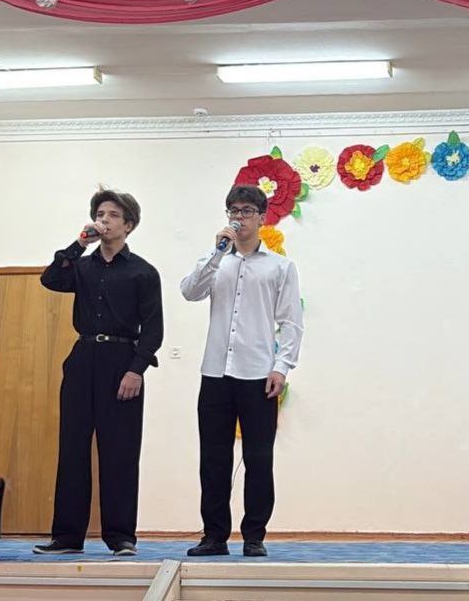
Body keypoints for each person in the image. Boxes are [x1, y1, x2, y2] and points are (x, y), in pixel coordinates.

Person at [36, 187, 163, 556]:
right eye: (100, 214)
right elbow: (50, 279)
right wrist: (78, 244)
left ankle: (121, 536)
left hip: (122, 361)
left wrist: (137, 370)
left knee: (120, 450)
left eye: (112, 215)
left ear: (129, 225)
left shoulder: (143, 272)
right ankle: (67, 536)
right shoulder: (81, 267)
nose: (104, 220)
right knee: (72, 448)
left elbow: (153, 328)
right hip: (83, 358)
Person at [181, 185, 303, 557]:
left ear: (262, 217)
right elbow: (189, 291)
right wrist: (217, 253)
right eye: (233, 210)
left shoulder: (280, 266)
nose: (239, 217)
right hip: (216, 373)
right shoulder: (217, 260)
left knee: (259, 458)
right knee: (213, 459)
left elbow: (291, 322)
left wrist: (281, 367)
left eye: (247, 211)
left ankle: (254, 536)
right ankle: (214, 536)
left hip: (259, 375)